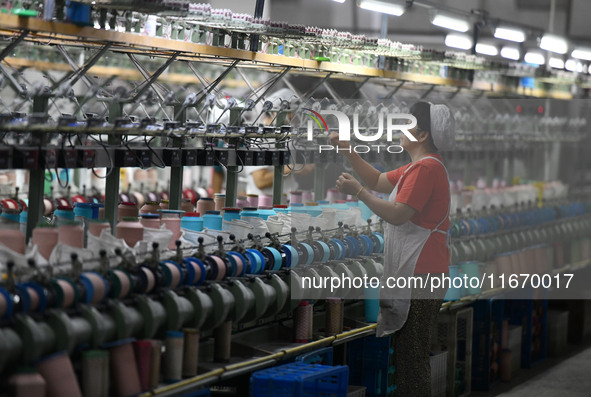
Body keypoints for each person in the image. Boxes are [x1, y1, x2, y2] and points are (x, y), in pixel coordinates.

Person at [332, 101, 455, 396]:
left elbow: (399, 214)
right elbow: (377, 180)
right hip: (423, 272)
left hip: (421, 274)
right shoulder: (421, 166)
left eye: (407, 123)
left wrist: (359, 193)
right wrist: (347, 149)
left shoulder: (426, 168)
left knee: (411, 356)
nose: (400, 128)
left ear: (423, 134)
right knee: (409, 352)